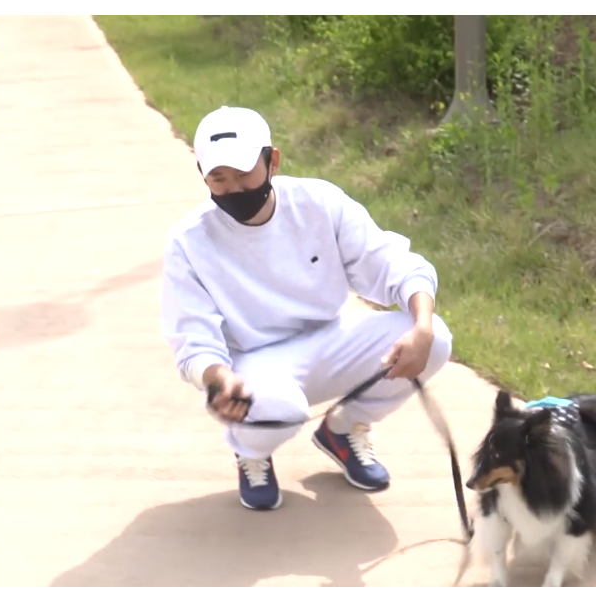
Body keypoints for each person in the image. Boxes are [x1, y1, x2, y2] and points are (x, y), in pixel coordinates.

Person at [160, 105, 453, 511]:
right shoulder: (189, 242)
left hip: (329, 339)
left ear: (273, 161)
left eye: (243, 174)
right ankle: (251, 452)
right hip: (254, 365)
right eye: (219, 178)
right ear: (202, 174)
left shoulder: (319, 203)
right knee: (282, 408)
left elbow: (393, 263)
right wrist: (219, 379)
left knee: (435, 337)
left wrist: (421, 327)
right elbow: (192, 339)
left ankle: (343, 429)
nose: (234, 189)